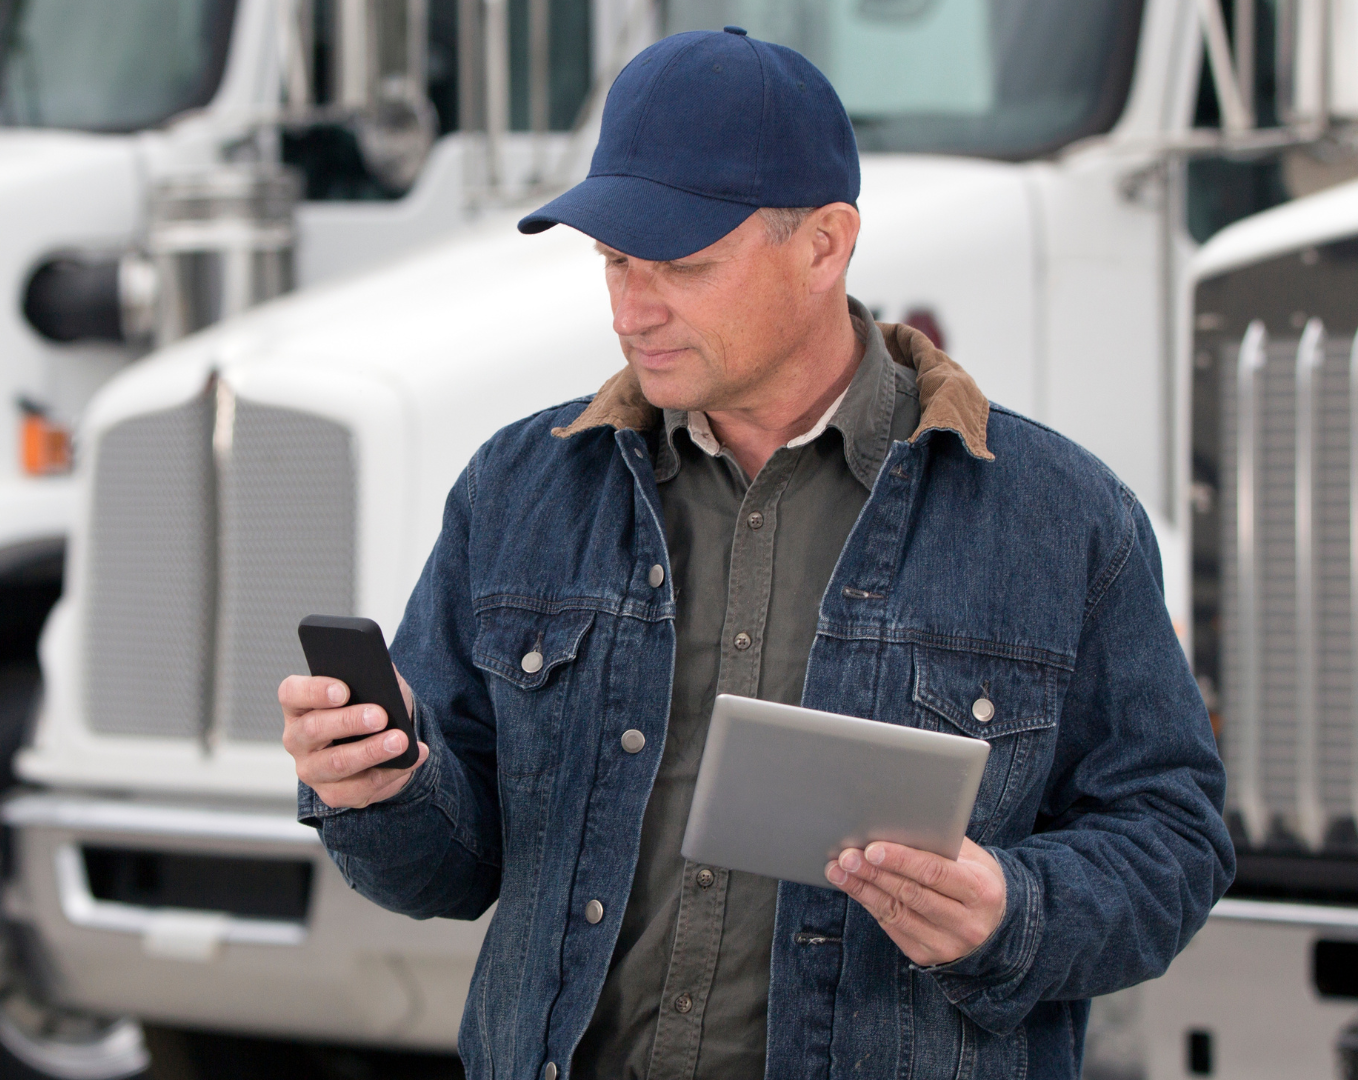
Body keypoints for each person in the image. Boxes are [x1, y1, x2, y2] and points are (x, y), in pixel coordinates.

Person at [278, 27, 1232, 1080]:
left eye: (683, 265)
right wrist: (383, 786)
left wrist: (1014, 911)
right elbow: (446, 875)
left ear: (825, 244)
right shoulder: (519, 488)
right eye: (615, 262)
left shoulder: (1058, 517)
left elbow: (1173, 843)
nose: (634, 308)